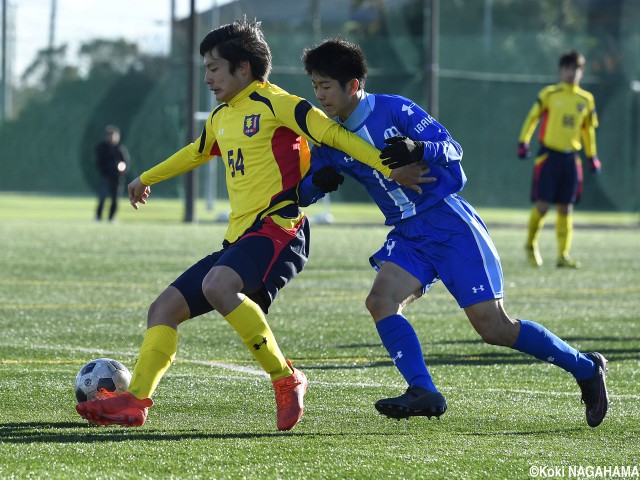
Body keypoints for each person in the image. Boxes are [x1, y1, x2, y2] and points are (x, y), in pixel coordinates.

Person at [75, 19, 420, 431]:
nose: (207, 78)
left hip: (282, 231)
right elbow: (195, 152)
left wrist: (389, 165)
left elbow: (336, 136)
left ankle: (285, 378)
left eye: (214, 68)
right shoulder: (222, 117)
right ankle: (136, 403)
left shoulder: (280, 104)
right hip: (241, 239)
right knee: (162, 309)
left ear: (243, 68)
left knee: (218, 286)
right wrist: (146, 177)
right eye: (205, 68)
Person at [299, 38, 609, 427]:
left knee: (494, 328)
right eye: (314, 85)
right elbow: (305, 190)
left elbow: (452, 147)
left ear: (354, 85)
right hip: (408, 234)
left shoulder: (393, 109)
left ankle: (585, 368)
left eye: (326, 85)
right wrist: (318, 183)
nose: (319, 95)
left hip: (448, 224)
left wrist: (418, 148)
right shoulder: (329, 136)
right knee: (380, 301)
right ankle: (422, 389)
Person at [517, 50, 601, 268]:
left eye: (575, 69)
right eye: (567, 68)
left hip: (571, 159)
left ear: (581, 72)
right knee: (543, 206)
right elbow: (532, 117)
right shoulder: (550, 94)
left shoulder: (586, 100)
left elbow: (588, 131)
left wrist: (592, 156)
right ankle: (530, 245)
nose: (571, 73)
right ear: (560, 70)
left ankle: (563, 255)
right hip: (549, 156)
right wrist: (523, 141)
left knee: (566, 207)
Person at [95, 125, 130, 222]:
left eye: (114, 136)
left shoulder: (120, 148)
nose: (112, 138)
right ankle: (98, 217)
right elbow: (99, 162)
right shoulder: (102, 148)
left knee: (115, 199)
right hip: (106, 177)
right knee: (102, 197)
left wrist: (122, 170)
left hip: (117, 178)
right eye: (110, 136)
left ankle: (111, 217)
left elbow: (125, 163)